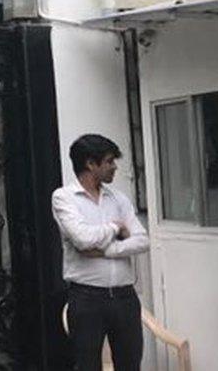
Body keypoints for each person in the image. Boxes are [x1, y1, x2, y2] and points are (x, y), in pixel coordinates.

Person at [52, 134, 150, 371]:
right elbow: (83, 239)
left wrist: (109, 250)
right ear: (90, 164)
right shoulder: (64, 197)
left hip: (125, 297)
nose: (114, 167)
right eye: (109, 161)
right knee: (87, 364)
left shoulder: (119, 199)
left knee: (130, 364)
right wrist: (116, 228)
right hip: (87, 298)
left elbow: (142, 241)